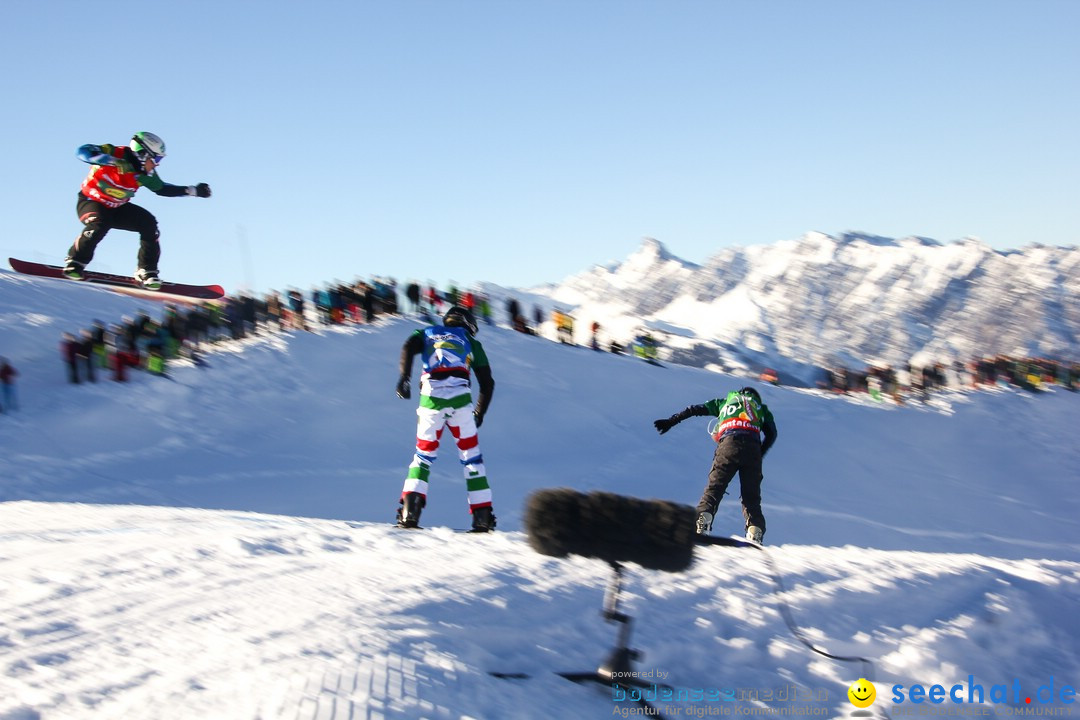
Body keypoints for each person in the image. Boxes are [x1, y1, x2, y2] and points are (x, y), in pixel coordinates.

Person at [64, 132, 212, 289]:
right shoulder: (114, 152)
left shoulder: (145, 174)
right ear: (142, 154)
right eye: (156, 159)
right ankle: (76, 261)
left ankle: (147, 271)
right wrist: (113, 161)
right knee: (101, 223)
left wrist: (193, 191)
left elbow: (162, 189)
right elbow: (82, 152)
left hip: (117, 208)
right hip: (91, 202)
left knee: (148, 223)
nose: (156, 164)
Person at [394, 306, 496, 531]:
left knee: (423, 456)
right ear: (468, 324)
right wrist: (479, 412)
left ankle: (409, 513)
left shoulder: (427, 332)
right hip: (460, 400)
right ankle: (482, 517)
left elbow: (408, 347)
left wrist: (404, 377)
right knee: (471, 459)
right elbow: (488, 383)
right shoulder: (471, 342)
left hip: (431, 399)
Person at [654, 386, 777, 543]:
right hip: (753, 448)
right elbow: (772, 433)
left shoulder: (724, 402)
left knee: (715, 487)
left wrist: (672, 420)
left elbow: (694, 409)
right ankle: (755, 532)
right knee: (751, 497)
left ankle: (702, 522)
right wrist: (760, 453)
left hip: (728, 444)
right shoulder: (760, 407)